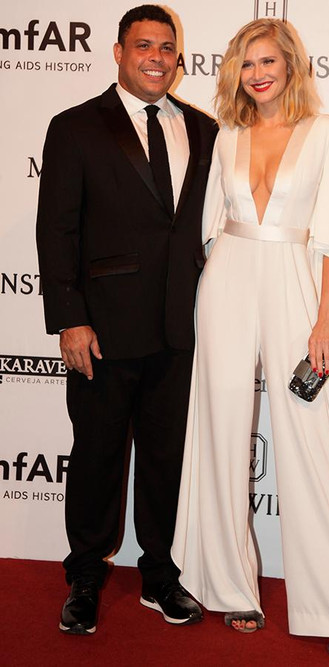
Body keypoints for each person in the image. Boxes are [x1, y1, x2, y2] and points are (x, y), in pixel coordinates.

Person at [169, 18, 329, 661]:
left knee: (310, 440)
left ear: (290, 65)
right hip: (228, 277)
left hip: (293, 279)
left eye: (267, 61)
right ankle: (231, 588)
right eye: (246, 63)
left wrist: (325, 319)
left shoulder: (325, 132)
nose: (257, 74)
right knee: (220, 430)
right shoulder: (227, 134)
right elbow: (210, 228)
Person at [35, 4, 216, 635]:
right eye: (144, 46)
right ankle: (85, 576)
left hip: (179, 327)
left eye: (166, 48)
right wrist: (70, 319)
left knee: (167, 459)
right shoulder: (75, 126)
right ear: (118, 52)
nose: (156, 58)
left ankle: (160, 576)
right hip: (103, 331)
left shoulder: (205, 130)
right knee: (97, 456)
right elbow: (56, 230)